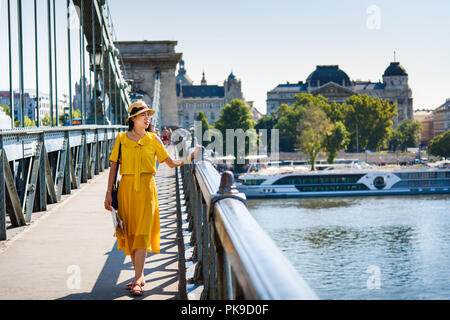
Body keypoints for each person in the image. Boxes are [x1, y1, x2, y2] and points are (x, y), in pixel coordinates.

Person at [104, 100, 201, 297]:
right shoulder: (121, 139)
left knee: (141, 234)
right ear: (133, 119)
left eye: (149, 115)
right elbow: (114, 166)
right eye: (143, 115)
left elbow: (171, 162)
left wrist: (190, 158)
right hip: (126, 190)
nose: (147, 119)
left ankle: (138, 278)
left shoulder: (154, 139)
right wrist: (108, 193)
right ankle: (139, 275)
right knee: (130, 234)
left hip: (147, 191)